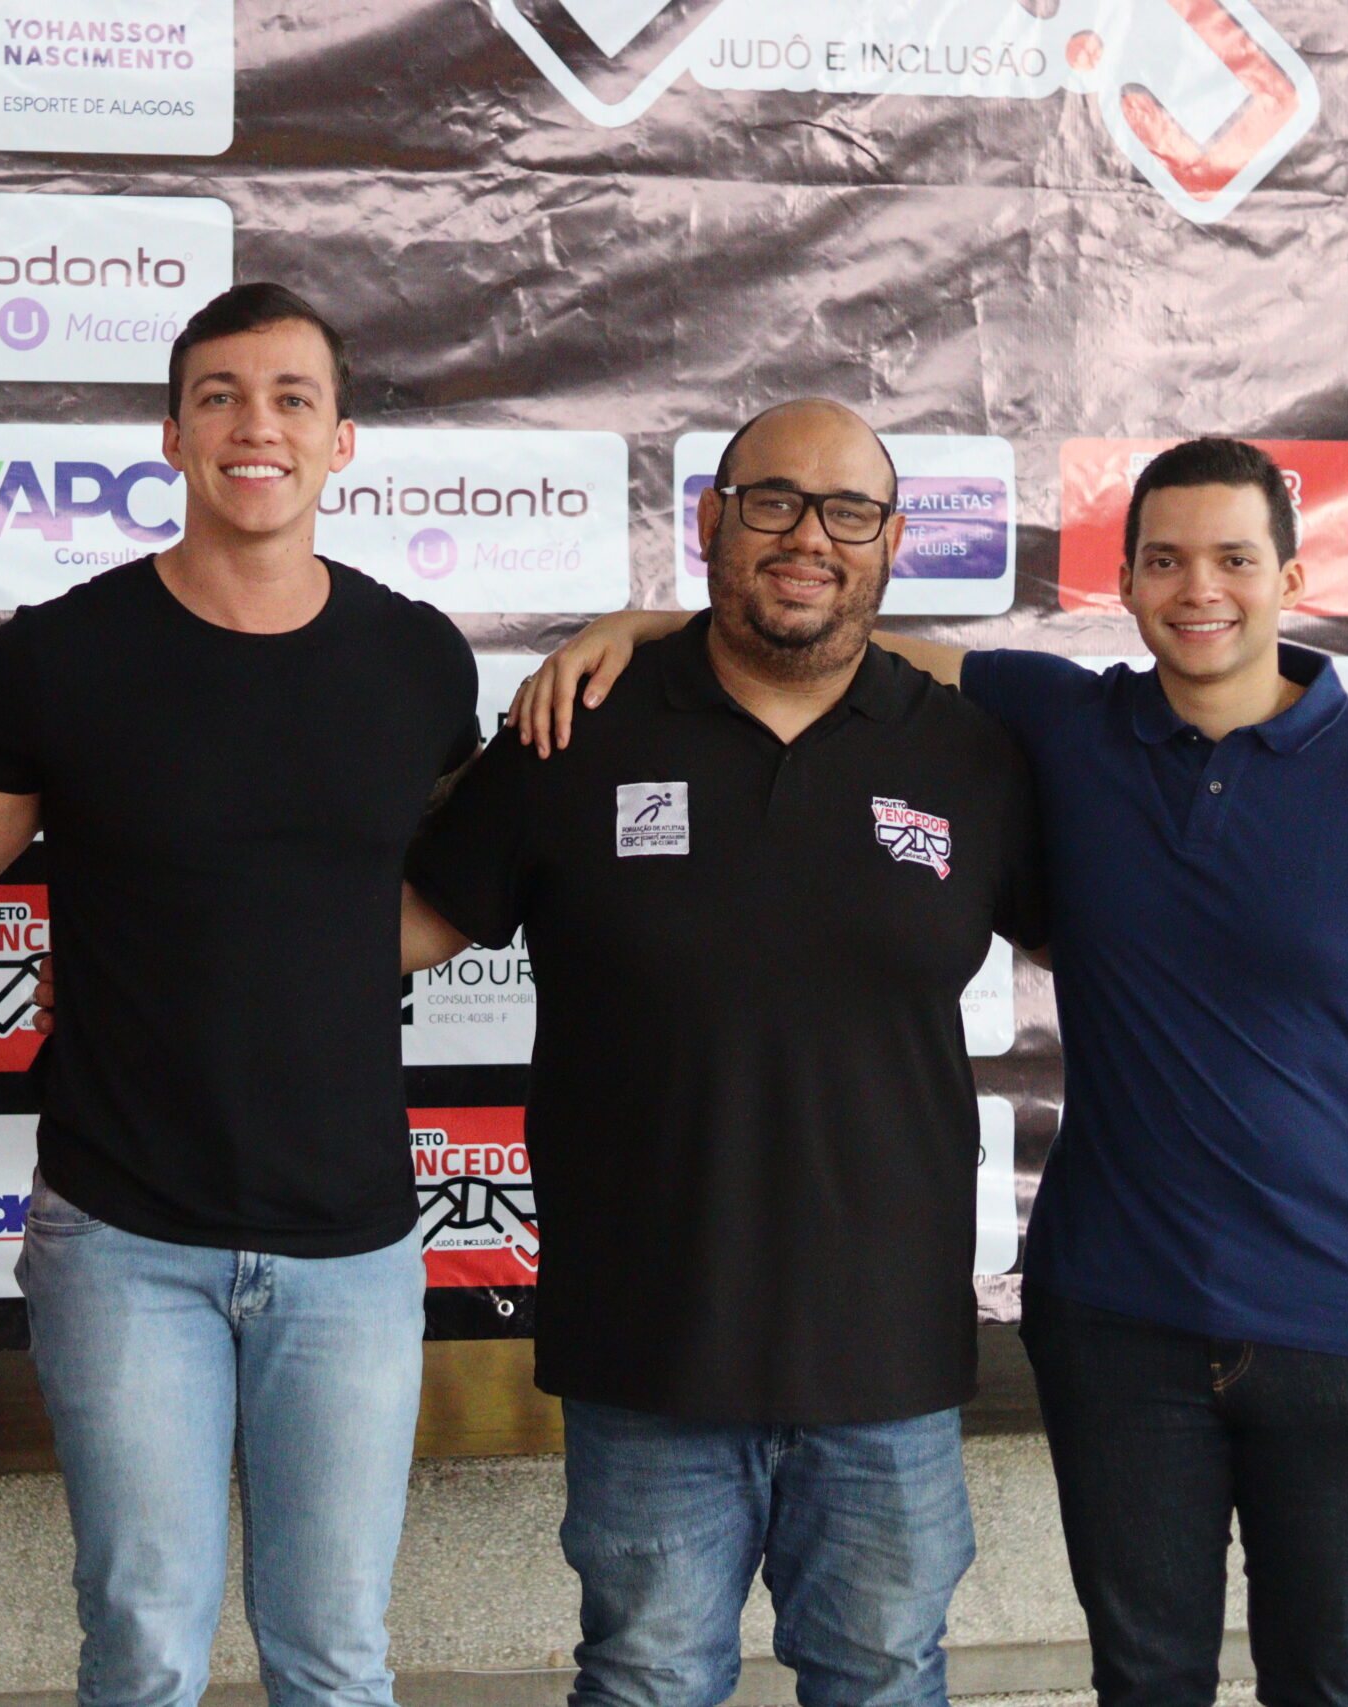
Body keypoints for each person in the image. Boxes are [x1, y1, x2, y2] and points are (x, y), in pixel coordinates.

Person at [514, 436, 1348, 1707]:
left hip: (1344, 1324)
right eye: (1164, 560)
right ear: (1124, 580)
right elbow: (829, 635)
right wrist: (638, 626)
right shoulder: (1065, 724)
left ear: (1291, 576)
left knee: (1329, 1684)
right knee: (1142, 1682)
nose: (1199, 589)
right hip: (1116, 1320)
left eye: (1233, 559)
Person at [401, 399, 1045, 1707]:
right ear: (710, 519)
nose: (809, 537)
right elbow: (399, 931)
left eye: (847, 511)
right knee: (645, 1679)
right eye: (773, 502)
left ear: (891, 541)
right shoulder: (574, 725)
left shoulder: (973, 753)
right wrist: (153, 960)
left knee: (881, 1679)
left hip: (889, 1360)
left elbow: (1145, 949)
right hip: (647, 1350)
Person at [0, 283, 477, 1707]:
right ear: (171, 434)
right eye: (219, 396)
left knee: (335, 1657)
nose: (254, 425)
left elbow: (454, 893)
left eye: (292, 397)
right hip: (123, 1238)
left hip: (351, 1245)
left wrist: (287, 949)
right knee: (143, 1649)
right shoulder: (58, 653)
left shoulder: (418, 657)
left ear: (340, 439)